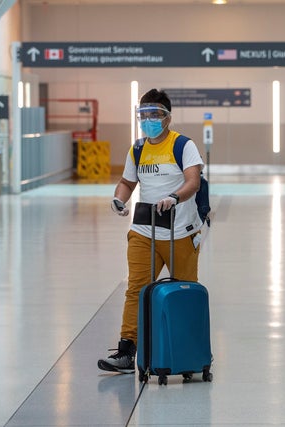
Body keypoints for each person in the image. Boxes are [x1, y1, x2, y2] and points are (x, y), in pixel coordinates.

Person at [98, 88, 204, 374]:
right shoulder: (138, 148)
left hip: (180, 231)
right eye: (143, 115)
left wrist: (175, 197)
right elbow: (126, 182)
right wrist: (119, 198)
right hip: (144, 230)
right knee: (136, 289)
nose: (148, 120)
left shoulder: (183, 145)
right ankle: (125, 352)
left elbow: (193, 181)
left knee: (184, 288)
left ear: (167, 118)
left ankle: (186, 352)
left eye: (154, 115)